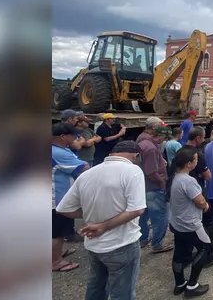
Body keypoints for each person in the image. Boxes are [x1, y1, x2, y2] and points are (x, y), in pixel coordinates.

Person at [56, 140, 146, 299]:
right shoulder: (132, 170)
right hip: (122, 243)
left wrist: (91, 216)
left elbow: (63, 208)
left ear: (111, 154)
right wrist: (103, 225)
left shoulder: (88, 173)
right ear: (135, 155)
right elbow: (137, 209)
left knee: (96, 286)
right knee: (122, 292)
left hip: (93, 245)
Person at [168, 148, 213, 297]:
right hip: (191, 224)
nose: (197, 161)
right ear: (189, 164)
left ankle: (180, 283)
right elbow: (200, 200)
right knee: (206, 248)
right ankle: (192, 285)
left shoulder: (175, 176)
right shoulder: (188, 181)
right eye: (195, 160)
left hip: (177, 223)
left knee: (179, 253)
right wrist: (206, 206)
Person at [52, 122, 89, 272]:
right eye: (73, 136)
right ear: (63, 136)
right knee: (57, 233)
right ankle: (55, 262)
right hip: (56, 199)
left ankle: (57, 254)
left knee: (59, 231)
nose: (75, 138)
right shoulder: (59, 153)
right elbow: (84, 166)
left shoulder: (56, 149)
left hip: (54, 197)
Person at [138, 125, 174, 253]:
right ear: (157, 135)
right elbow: (152, 172)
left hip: (144, 186)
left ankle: (142, 239)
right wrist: (162, 184)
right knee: (160, 216)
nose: (165, 141)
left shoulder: (144, 143)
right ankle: (157, 244)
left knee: (144, 214)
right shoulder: (151, 148)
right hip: (154, 187)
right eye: (164, 138)